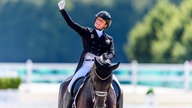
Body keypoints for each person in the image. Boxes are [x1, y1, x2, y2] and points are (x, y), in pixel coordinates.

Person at [58, 0, 122, 107]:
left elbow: (112, 53)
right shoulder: (87, 32)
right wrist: (62, 10)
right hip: (86, 66)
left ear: (106, 25)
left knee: (119, 88)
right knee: (70, 86)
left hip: (101, 67)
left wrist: (105, 58)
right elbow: (72, 24)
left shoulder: (109, 39)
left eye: (101, 21)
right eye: (97, 19)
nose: (98, 21)